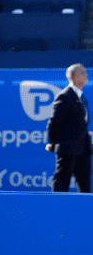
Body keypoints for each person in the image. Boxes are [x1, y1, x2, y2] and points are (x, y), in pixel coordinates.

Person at [46, 64, 92, 193]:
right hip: (68, 148)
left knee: (85, 183)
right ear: (72, 77)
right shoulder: (65, 96)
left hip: (83, 148)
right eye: (81, 72)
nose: (85, 75)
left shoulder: (81, 97)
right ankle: (58, 204)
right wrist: (53, 142)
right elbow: (54, 123)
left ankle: (84, 206)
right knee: (62, 181)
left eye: (85, 72)